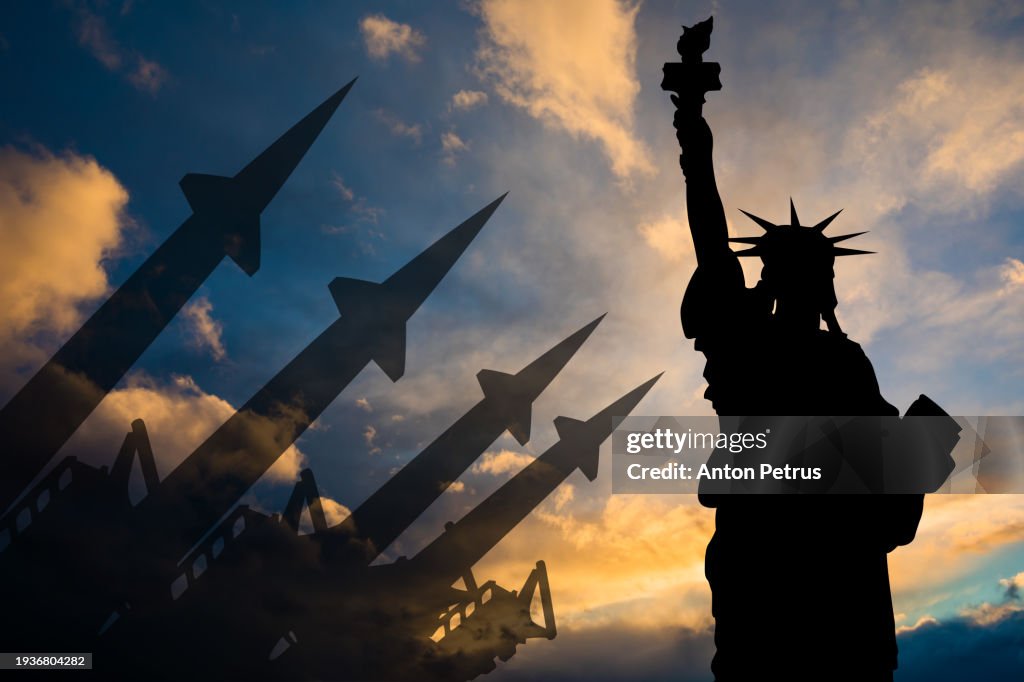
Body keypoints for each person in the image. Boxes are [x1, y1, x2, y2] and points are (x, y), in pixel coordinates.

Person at [672, 49, 926, 682]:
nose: (819, 286)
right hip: (769, 579)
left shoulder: (845, 359)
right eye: (811, 274)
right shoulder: (746, 339)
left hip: (847, 586)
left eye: (822, 274)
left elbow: (890, 482)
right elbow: (706, 219)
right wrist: (692, 122)